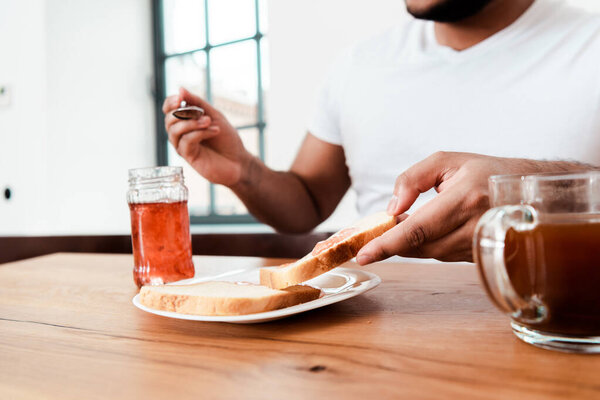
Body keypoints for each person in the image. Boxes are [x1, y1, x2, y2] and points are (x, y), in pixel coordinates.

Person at [162, 0, 600, 263]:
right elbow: (307, 203)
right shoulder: (359, 65)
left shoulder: (589, 42)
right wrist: (244, 170)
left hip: (552, 334)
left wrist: (535, 191)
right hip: (368, 344)